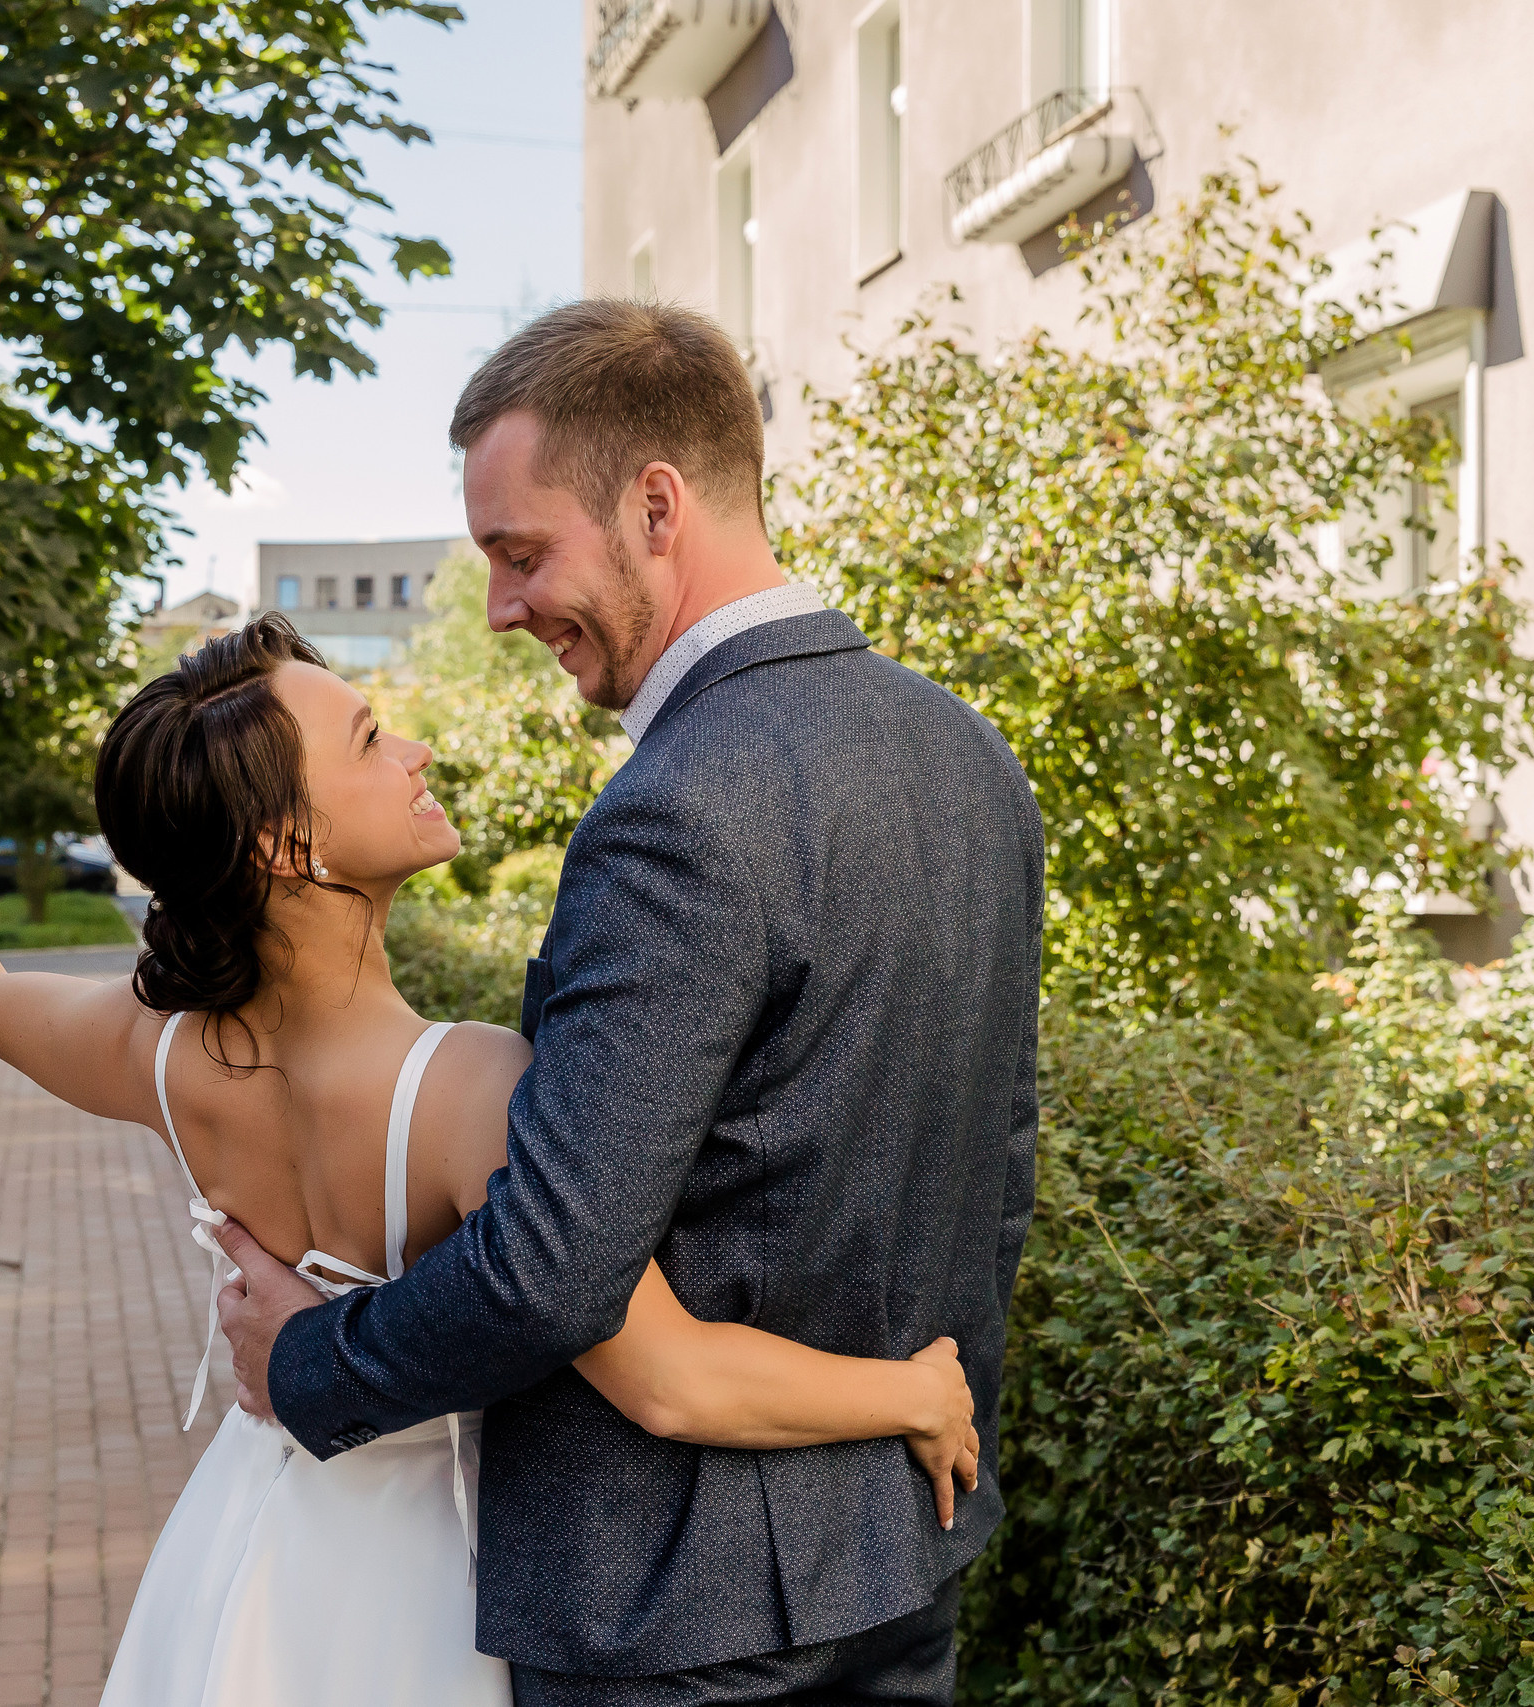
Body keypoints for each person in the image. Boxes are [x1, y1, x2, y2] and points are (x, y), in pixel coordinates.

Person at [0, 617, 983, 1706]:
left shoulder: (170, 1058)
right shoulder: (470, 1087)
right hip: (420, 1587)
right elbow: (668, 1386)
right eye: (374, 740)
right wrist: (914, 1394)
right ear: (284, 846)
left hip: (248, 1539)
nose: (415, 751)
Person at [213, 299, 1046, 1704]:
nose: (499, 605)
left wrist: (309, 1359)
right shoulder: (971, 754)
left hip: (675, 1617)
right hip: (907, 1548)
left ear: (656, 504)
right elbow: (998, 1164)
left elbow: (552, 1266)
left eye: (522, 552)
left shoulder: (675, 811)